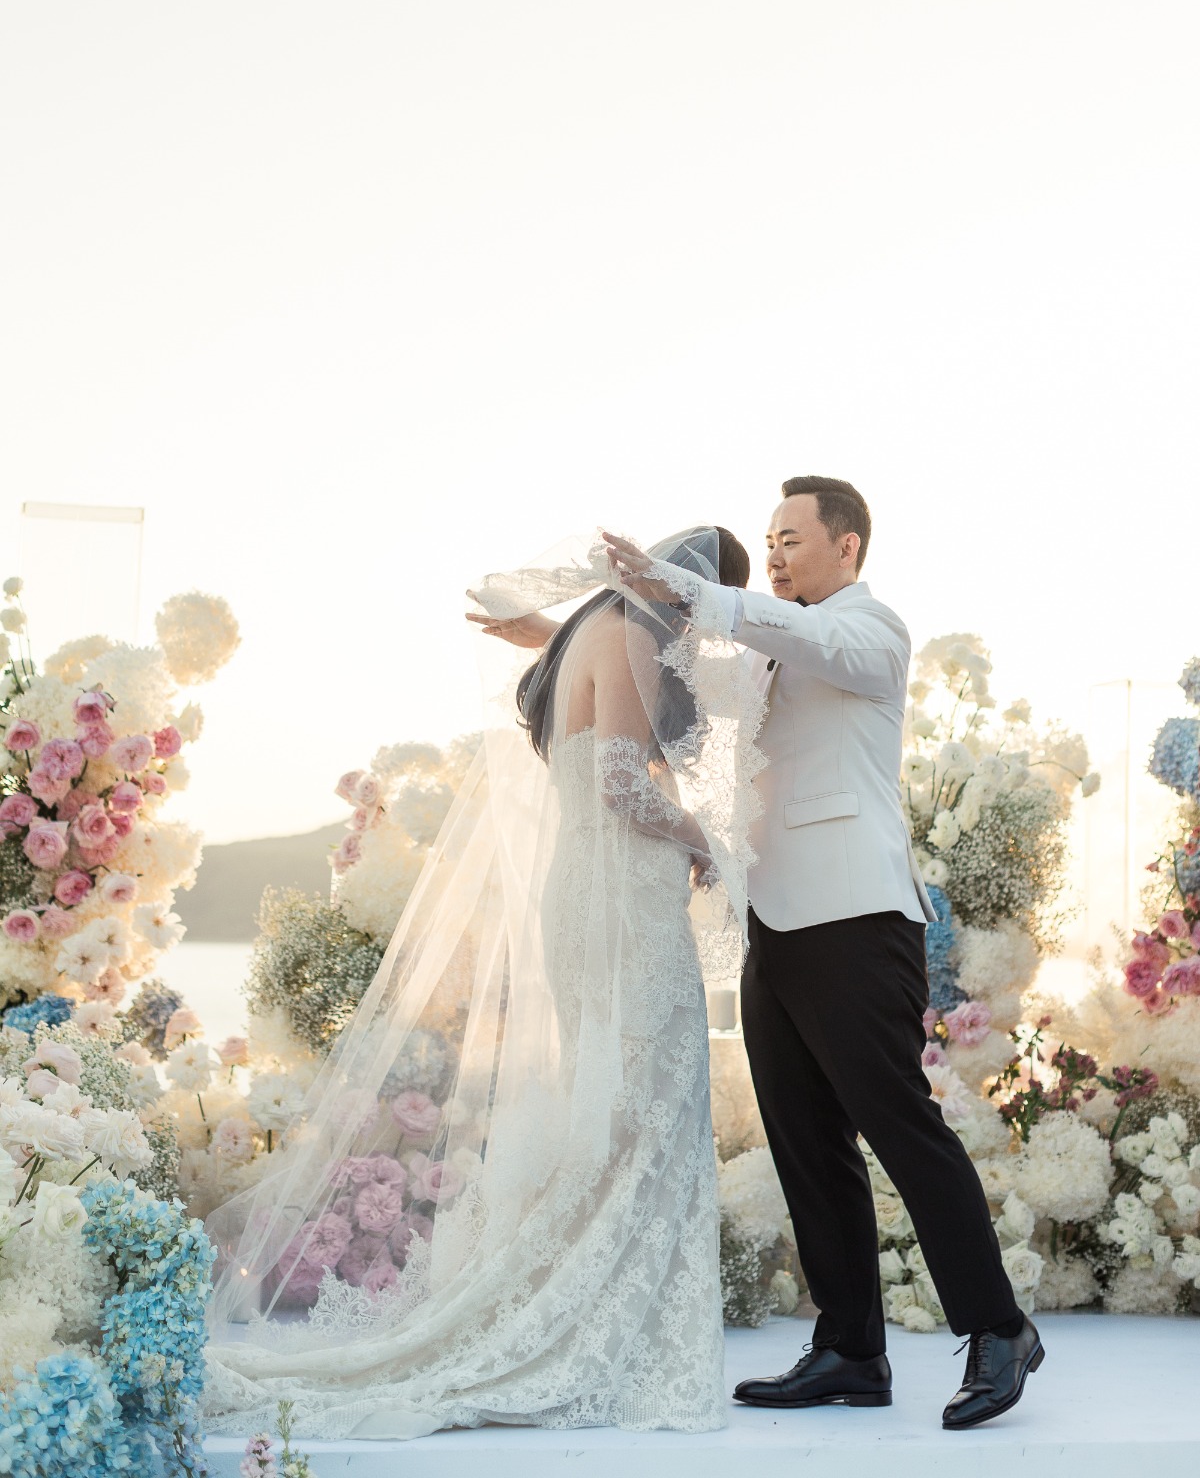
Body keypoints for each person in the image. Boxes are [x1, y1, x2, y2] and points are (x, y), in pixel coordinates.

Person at [202, 525, 759, 1441]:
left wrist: (545, 631)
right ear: (690, 592)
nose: (704, 631)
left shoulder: (595, 630)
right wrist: (711, 845)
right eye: (705, 609)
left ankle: (595, 1301)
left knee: (612, 1106)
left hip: (591, 895)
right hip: (620, 901)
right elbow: (623, 778)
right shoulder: (629, 634)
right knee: (642, 1107)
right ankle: (580, 1318)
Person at [603, 477, 1045, 1433]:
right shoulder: (771, 646)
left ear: (846, 547)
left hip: (857, 918)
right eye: (767, 540)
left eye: (791, 538)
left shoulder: (870, 630)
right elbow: (679, 686)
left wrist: (711, 600)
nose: (773, 552)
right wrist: (585, 640)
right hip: (777, 918)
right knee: (806, 1139)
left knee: (899, 1126)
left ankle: (1000, 1329)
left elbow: (803, 637)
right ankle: (850, 1347)